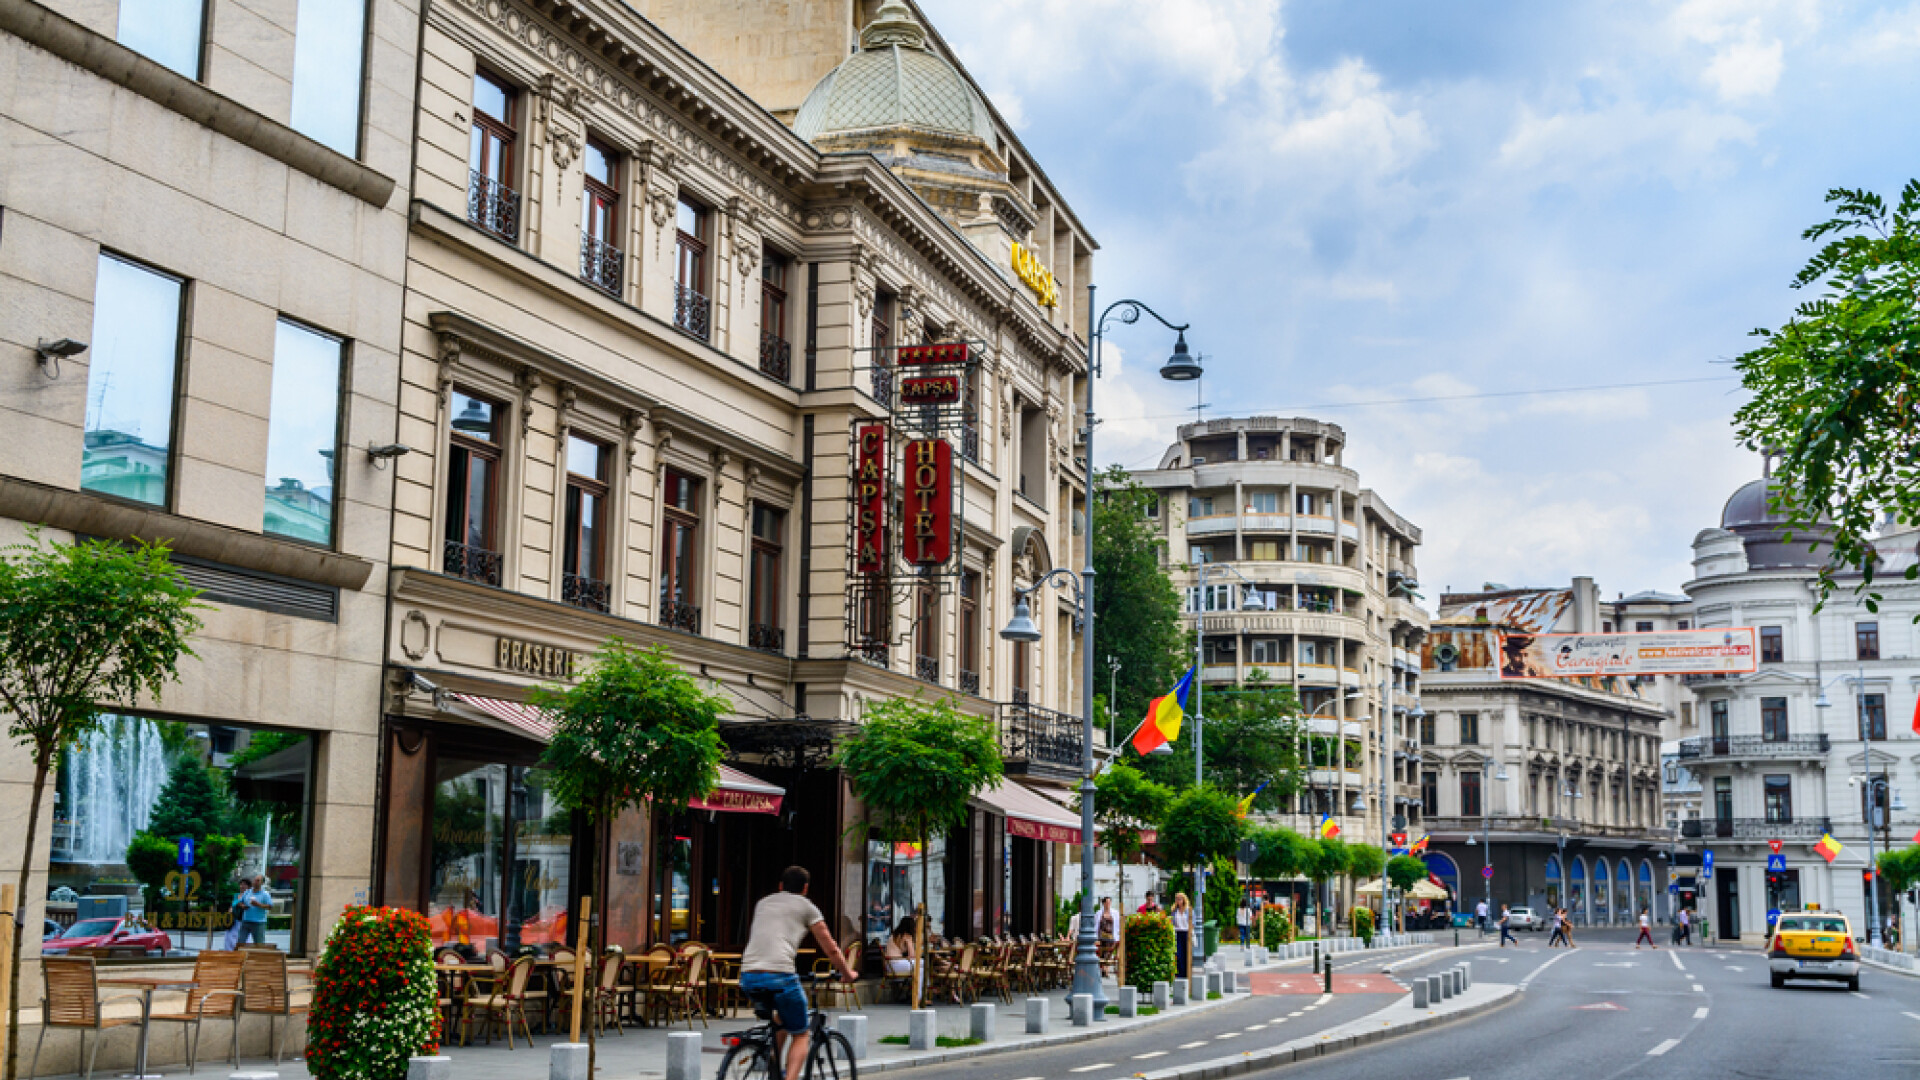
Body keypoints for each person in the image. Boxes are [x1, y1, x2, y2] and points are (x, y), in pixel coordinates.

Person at [739, 866, 857, 1080]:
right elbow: (830, 947)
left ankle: (774, 1060)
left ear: (781, 886)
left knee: (783, 1017)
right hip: (780, 974)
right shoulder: (807, 906)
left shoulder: (763, 902)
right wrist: (847, 973)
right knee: (801, 1033)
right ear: (805, 888)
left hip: (748, 976)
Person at [883, 915, 920, 1001]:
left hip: (890, 965)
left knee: (921, 967)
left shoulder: (895, 934)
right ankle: (919, 995)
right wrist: (910, 942)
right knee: (922, 964)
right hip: (895, 964)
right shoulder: (906, 936)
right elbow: (912, 955)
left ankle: (918, 996)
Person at [235, 875, 272, 945]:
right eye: (254, 880)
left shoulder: (265, 894)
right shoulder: (247, 892)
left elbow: (270, 906)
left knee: (259, 943)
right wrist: (242, 906)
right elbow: (239, 902)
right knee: (240, 942)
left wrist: (259, 905)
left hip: (258, 922)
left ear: (262, 883)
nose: (255, 882)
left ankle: (259, 955)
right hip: (246, 921)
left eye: (258, 881)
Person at [1170, 893, 1192, 977]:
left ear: (1183, 900)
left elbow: (1192, 922)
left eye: (1180, 899)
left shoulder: (1188, 910)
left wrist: (1190, 931)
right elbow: (1172, 922)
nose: (1178, 901)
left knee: (1186, 954)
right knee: (1178, 954)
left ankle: (1187, 974)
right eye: (1176, 899)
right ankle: (1180, 974)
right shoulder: (1174, 910)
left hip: (1186, 933)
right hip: (1177, 933)